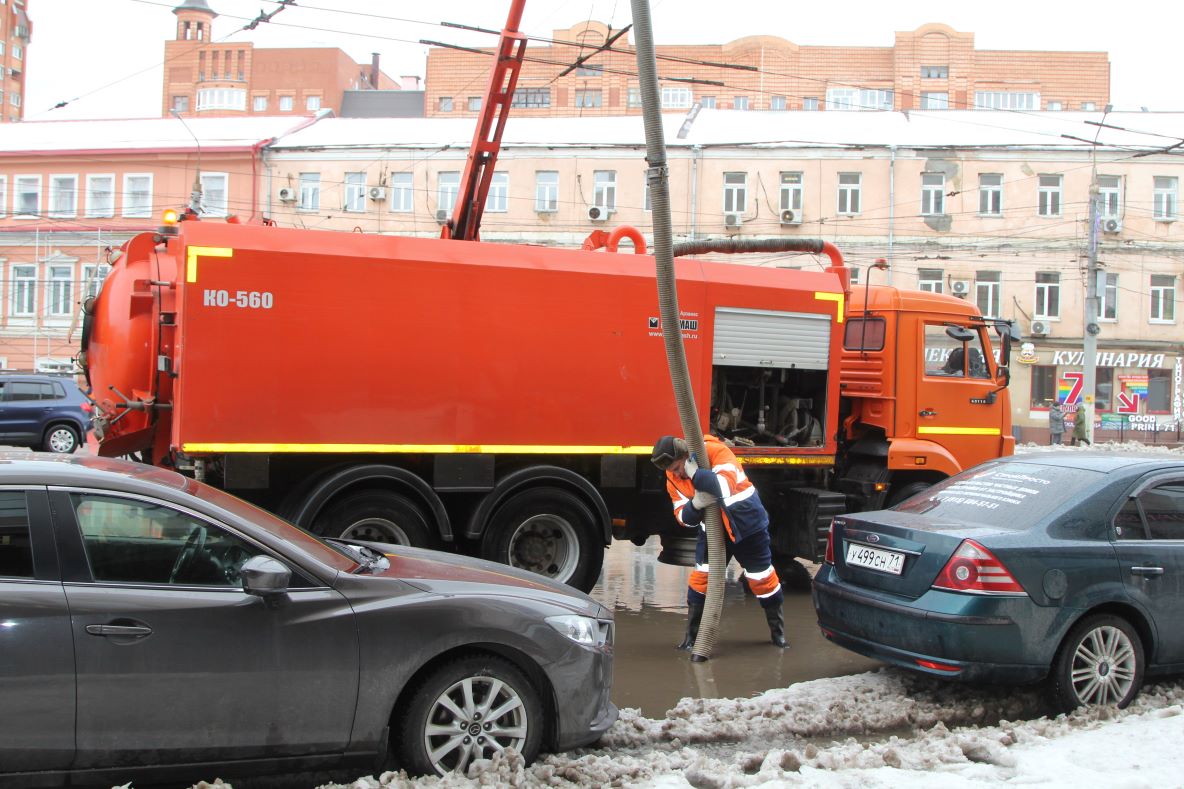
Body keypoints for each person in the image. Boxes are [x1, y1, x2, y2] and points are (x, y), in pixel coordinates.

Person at [651, 434, 786, 650]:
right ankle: (691, 639)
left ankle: (778, 635)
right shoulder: (672, 478)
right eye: (672, 471)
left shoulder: (717, 452)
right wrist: (695, 505)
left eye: (678, 468)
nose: (676, 474)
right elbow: (683, 518)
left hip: (747, 526)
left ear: (687, 456)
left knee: (762, 579)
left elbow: (723, 488)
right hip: (714, 531)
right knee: (700, 580)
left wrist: (697, 475)